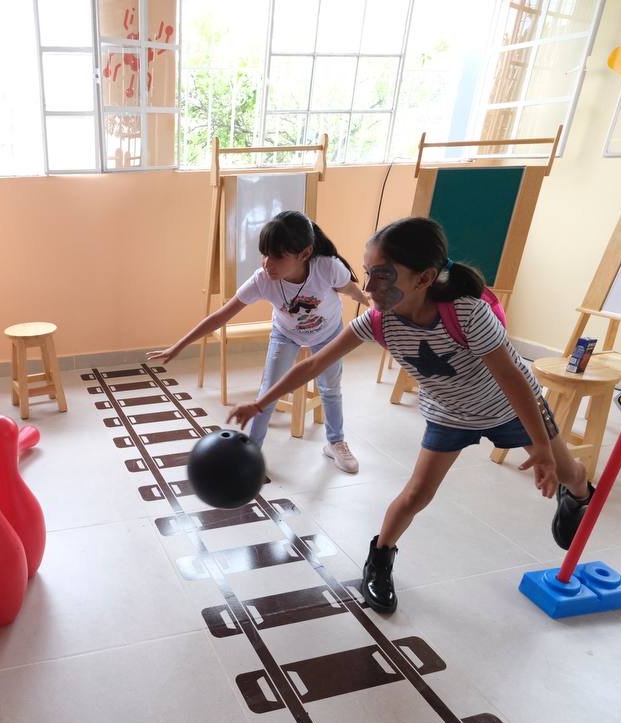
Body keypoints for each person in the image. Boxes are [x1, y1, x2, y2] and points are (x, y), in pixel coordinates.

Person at [227, 217, 594, 614]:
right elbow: (314, 365)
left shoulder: (467, 313)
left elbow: (512, 379)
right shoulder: (378, 320)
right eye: (367, 274)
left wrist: (540, 445)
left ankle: (578, 496)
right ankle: (380, 559)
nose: (368, 288)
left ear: (425, 278)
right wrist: (261, 403)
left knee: (569, 471)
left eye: (383, 275)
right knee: (415, 495)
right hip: (449, 413)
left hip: (509, 408)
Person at [149, 210, 370, 472]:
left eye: (277, 256)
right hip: (286, 334)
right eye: (264, 254)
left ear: (304, 253)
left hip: (328, 333)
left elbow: (352, 291)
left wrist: (372, 304)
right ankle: (250, 454)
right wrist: (179, 346)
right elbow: (220, 316)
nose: (267, 263)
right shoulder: (263, 280)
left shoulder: (328, 267)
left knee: (330, 389)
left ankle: (336, 443)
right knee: (267, 394)